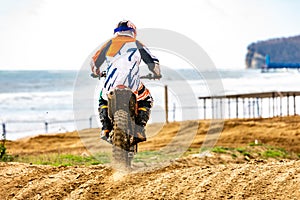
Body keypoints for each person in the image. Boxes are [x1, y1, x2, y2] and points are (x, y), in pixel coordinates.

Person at [90, 20, 161, 144]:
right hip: (132, 85)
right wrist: (156, 74)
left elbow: (94, 62)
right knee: (147, 99)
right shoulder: (137, 44)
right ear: (133, 32)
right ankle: (139, 128)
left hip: (111, 86)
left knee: (102, 99)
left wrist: (97, 72)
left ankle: (106, 128)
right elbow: (153, 62)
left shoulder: (109, 44)